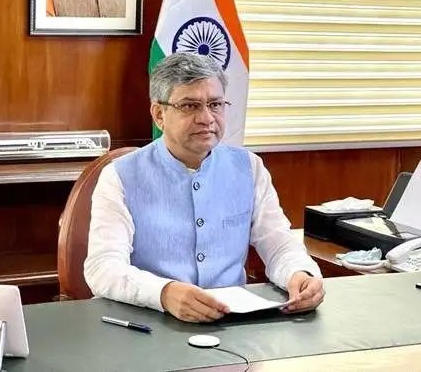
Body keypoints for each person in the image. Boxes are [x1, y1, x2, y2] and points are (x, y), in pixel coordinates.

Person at [84, 53, 324, 323]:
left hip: (232, 324)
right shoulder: (119, 176)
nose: (207, 118)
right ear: (159, 114)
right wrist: (163, 293)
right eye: (190, 106)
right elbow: (103, 267)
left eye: (215, 104)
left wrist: (300, 273)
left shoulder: (249, 167)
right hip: (148, 321)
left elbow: (279, 244)